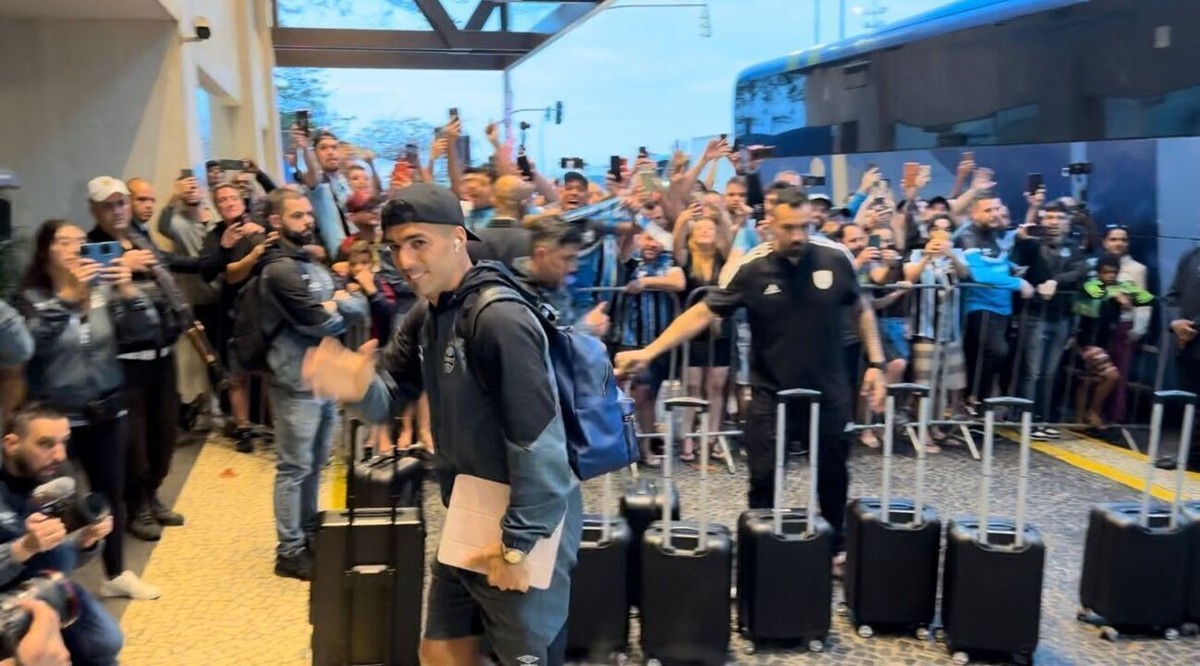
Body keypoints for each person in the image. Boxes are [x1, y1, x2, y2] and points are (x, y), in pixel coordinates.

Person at [301, 183, 581, 664]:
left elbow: (541, 445)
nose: (405, 260)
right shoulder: (428, 314)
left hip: (526, 518)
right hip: (468, 511)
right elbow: (388, 398)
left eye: (417, 243)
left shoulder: (499, 319)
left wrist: (518, 545)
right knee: (441, 651)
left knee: (524, 655)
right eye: (395, 246)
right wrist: (356, 387)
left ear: (457, 237)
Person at [616, 188, 886, 571]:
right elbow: (702, 313)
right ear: (769, 225)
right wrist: (649, 351)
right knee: (763, 475)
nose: (797, 236)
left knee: (832, 471)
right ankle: (760, 551)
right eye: (788, 227)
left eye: (804, 226)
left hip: (828, 391)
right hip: (770, 393)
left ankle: (835, 548)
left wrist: (876, 362)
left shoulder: (835, 258)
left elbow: (861, 308)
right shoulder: (753, 266)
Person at [11, 218, 161, 600]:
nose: (78, 248)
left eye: (82, 241)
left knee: (111, 493)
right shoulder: (29, 298)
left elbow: (145, 330)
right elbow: (29, 346)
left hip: (107, 411)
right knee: (54, 499)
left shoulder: (104, 291)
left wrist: (126, 290)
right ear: (46, 252)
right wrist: (67, 298)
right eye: (66, 242)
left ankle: (117, 573)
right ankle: (49, 582)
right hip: (55, 420)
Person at [258, 189, 368, 579]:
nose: (307, 221)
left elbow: (358, 306)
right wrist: (339, 302)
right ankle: (288, 550)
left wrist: (339, 303)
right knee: (294, 466)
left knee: (317, 463)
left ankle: (307, 532)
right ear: (276, 221)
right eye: (297, 216)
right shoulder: (280, 270)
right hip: (294, 382)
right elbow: (320, 321)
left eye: (308, 214)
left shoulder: (309, 262)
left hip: (322, 378)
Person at [0, 403, 124, 663]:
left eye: (64, 442)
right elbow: (31, 551)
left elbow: (63, 559)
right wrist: (23, 548)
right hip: (8, 597)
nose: (59, 455)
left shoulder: (58, 477)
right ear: (11, 444)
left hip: (46, 584)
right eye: (46, 444)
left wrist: (87, 541)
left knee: (106, 643)